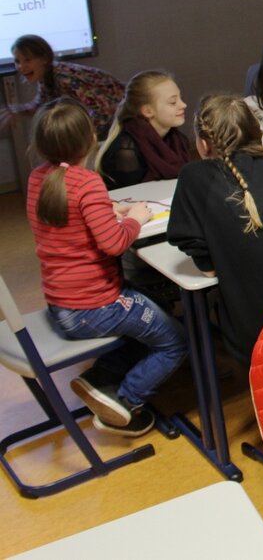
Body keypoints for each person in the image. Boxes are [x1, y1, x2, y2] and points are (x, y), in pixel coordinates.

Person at [25, 98, 187, 437]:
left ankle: (98, 379)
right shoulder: (87, 183)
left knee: (151, 309)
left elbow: (68, 219)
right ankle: (127, 401)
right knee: (176, 341)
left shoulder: (38, 179)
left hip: (61, 304)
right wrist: (137, 219)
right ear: (88, 140)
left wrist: (105, 208)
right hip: (96, 307)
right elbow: (114, 243)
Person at [167, 95, 263, 363]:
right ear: (256, 133)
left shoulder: (194, 177)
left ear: (203, 144)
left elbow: (193, 245)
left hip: (257, 336)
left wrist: (211, 258)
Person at [3, 35, 124, 140]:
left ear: (44, 59)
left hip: (121, 113)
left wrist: (82, 140)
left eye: (27, 60)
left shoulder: (63, 78)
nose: (21, 67)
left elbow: (102, 110)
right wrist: (17, 110)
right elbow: (42, 104)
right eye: (17, 61)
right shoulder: (46, 75)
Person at [96, 70, 191, 190]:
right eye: (173, 102)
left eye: (180, 98)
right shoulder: (126, 151)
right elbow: (130, 198)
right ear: (147, 111)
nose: (183, 105)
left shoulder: (178, 140)